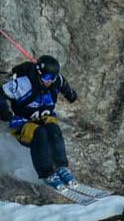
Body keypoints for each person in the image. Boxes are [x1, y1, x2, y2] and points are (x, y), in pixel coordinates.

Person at [0, 55, 79, 189]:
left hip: (43, 117)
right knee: (40, 134)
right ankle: (47, 173)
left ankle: (61, 167)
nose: (50, 81)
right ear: (39, 73)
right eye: (46, 78)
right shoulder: (23, 84)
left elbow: (63, 83)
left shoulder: (56, 81)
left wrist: (70, 93)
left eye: (52, 78)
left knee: (54, 130)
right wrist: (5, 113)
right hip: (22, 123)